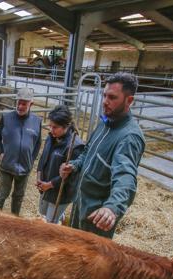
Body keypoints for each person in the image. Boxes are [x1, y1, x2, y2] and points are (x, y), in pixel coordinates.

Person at [60, 72, 145, 238]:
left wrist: (113, 207)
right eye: (104, 95)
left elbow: (125, 176)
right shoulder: (105, 122)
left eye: (112, 97)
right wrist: (74, 165)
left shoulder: (129, 137)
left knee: (89, 260)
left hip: (97, 218)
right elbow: (87, 152)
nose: (105, 102)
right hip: (80, 203)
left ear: (129, 101)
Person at [0, 87, 42, 216]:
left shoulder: (37, 121)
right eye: (18, 103)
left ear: (31, 104)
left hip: (25, 168)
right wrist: (1, 153)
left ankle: (15, 218)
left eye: (24, 103)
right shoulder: (6, 118)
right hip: (7, 165)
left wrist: (31, 159)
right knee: (1, 194)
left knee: (18, 196)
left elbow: (38, 144)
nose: (20, 106)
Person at [36, 105, 84, 224]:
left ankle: (58, 219)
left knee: (50, 222)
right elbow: (43, 158)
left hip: (60, 192)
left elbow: (70, 176)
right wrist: (39, 176)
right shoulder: (51, 137)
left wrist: (49, 184)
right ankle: (61, 217)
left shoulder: (75, 146)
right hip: (46, 186)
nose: (51, 130)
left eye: (55, 127)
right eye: (50, 126)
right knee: (43, 213)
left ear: (66, 126)